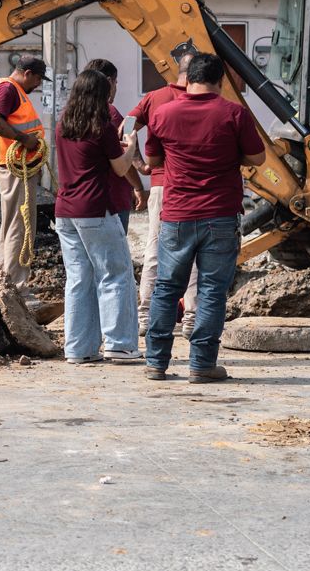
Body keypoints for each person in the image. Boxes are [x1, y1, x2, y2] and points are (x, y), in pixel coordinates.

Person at [143, 53, 267, 382]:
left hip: (177, 215)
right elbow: (257, 156)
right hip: (220, 215)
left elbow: (154, 159)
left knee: (166, 288)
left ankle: (156, 363)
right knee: (211, 290)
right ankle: (201, 365)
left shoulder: (163, 113)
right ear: (220, 81)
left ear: (187, 79)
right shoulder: (234, 113)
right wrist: (230, 154)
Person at [53, 69, 143, 365]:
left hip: (65, 210)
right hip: (95, 208)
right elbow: (120, 168)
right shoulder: (101, 126)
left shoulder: (63, 125)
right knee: (115, 274)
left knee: (79, 279)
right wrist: (128, 148)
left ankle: (79, 349)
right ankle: (120, 344)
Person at [129, 51, 199, 338]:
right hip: (196, 185)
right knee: (196, 254)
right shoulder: (206, 100)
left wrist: (138, 164)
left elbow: (125, 128)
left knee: (156, 247)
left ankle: (146, 316)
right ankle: (193, 320)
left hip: (160, 183)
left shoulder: (155, 97)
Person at [0, 56, 47, 302]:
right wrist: (25, 139)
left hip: (20, 167)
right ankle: (16, 286)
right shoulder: (8, 89)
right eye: (39, 78)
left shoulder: (15, 91)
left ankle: (8, 279)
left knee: (16, 223)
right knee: (19, 225)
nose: (39, 84)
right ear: (28, 73)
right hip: (14, 168)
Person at [83, 58, 147, 234]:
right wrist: (138, 187)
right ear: (109, 82)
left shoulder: (71, 115)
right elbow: (122, 160)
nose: (116, 87)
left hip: (81, 202)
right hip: (112, 199)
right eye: (116, 82)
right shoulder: (109, 113)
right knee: (114, 258)